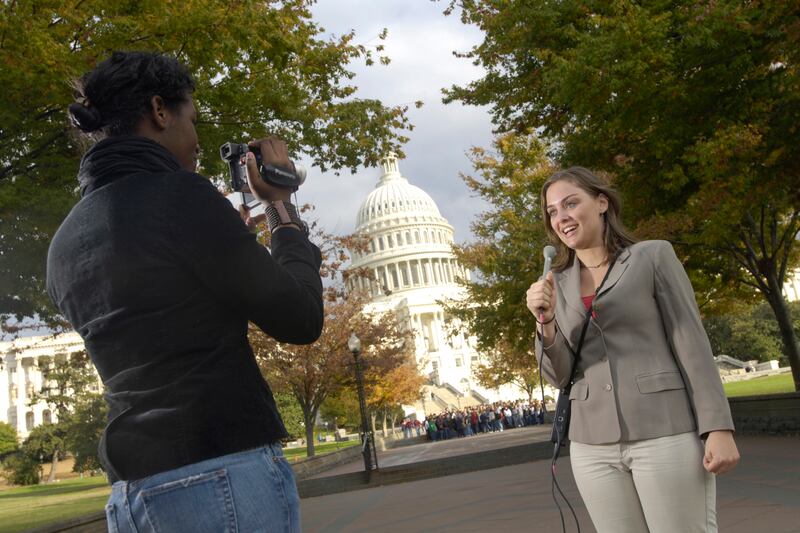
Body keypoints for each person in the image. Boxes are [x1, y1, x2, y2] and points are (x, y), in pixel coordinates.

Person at [47, 51, 323, 533]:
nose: (197, 142)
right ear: (159, 110)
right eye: (191, 119)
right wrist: (280, 208)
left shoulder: (64, 240)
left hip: (131, 493)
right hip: (218, 471)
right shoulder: (182, 196)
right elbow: (300, 318)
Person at [526, 167, 739, 533]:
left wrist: (718, 428)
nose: (561, 217)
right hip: (591, 446)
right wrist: (543, 322)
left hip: (664, 430)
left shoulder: (653, 257)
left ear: (602, 203)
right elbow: (558, 374)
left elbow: (692, 344)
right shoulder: (554, 285)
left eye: (570, 203)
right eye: (552, 211)